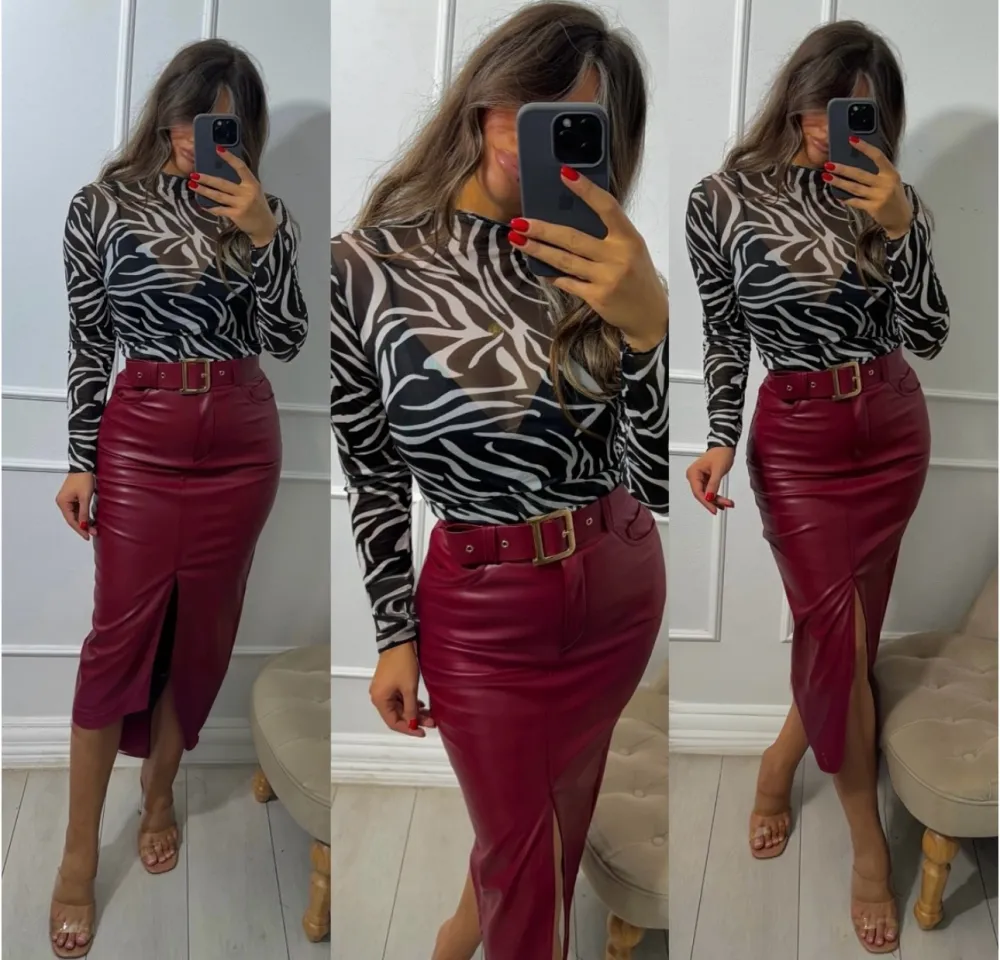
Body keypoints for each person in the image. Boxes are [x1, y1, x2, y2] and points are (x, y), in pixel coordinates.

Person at [330, 4, 667, 957]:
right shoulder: (365, 269)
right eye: (526, 101)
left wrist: (649, 329)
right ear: (482, 100)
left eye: (574, 119)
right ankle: (461, 936)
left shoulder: (608, 268)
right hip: (484, 615)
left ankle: (452, 937)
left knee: (544, 832)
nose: (534, 132)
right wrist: (394, 634)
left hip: (617, 585)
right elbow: (372, 471)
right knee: (526, 858)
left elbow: (651, 477)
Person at [684, 20, 948, 954]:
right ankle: (869, 847)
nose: (828, 126)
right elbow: (724, 332)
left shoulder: (891, 198)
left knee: (847, 643)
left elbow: (931, 333)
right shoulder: (721, 200)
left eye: (855, 112)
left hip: (891, 429)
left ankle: (777, 763)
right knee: (838, 638)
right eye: (820, 105)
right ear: (795, 97)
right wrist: (720, 437)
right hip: (795, 445)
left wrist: (902, 227)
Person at [49, 39, 308, 957]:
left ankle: (159, 792)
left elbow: (287, 336)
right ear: (168, 115)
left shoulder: (263, 212)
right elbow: (89, 339)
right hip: (141, 438)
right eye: (198, 119)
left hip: (240, 438)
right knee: (115, 641)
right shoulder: (101, 207)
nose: (207, 138)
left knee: (200, 637)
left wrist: (264, 233)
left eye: (228, 125)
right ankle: (77, 854)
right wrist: (80, 458)